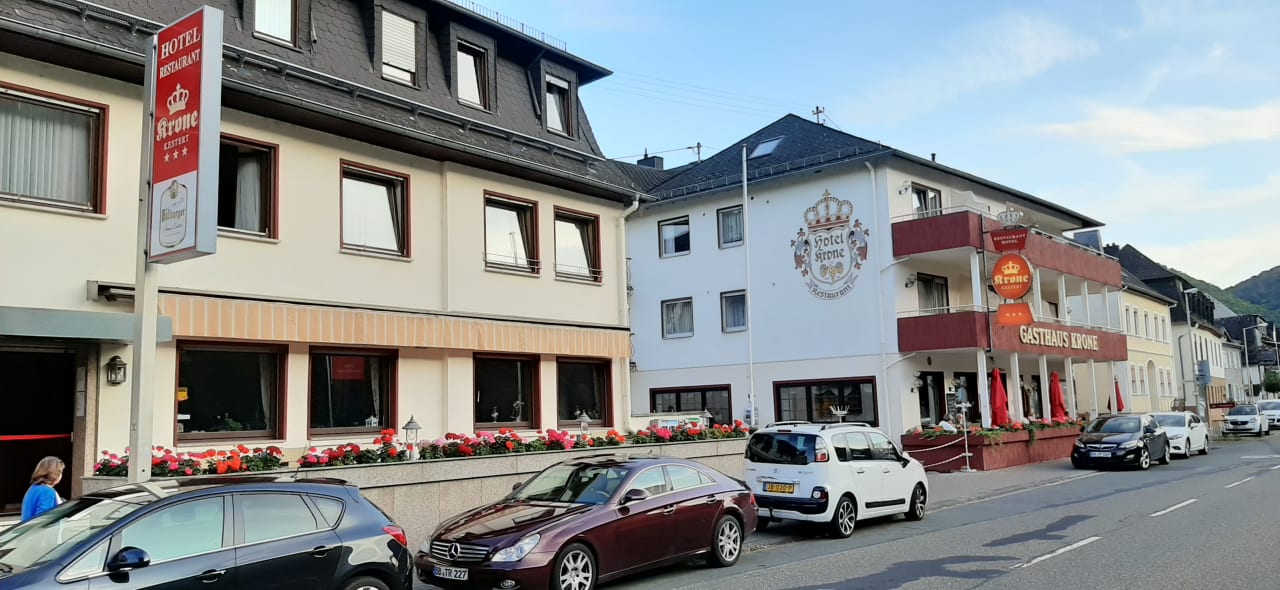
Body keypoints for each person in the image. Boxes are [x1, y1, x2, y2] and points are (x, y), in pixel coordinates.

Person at [21, 456, 65, 523]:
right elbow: (42, 520)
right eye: (61, 472)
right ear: (56, 474)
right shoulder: (47, 492)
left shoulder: (33, 488)